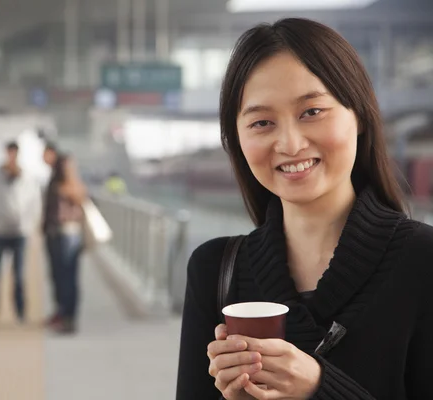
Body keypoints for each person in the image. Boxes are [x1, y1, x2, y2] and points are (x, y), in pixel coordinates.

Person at [176, 18, 433, 400]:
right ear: (238, 140)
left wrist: (319, 387)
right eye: (262, 122)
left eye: (311, 112)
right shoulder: (214, 271)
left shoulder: (423, 261)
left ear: (359, 114)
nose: (290, 144)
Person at [0, 141, 40, 323]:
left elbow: (35, 203)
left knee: (19, 275)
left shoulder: (27, 177)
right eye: (9, 152)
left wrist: (31, 225)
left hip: (20, 231)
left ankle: (20, 312)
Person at [42, 143, 87, 334]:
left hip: (67, 235)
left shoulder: (70, 186)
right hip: (56, 235)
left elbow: (76, 206)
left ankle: (68, 318)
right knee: (59, 278)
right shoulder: (57, 182)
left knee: (67, 279)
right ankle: (62, 314)